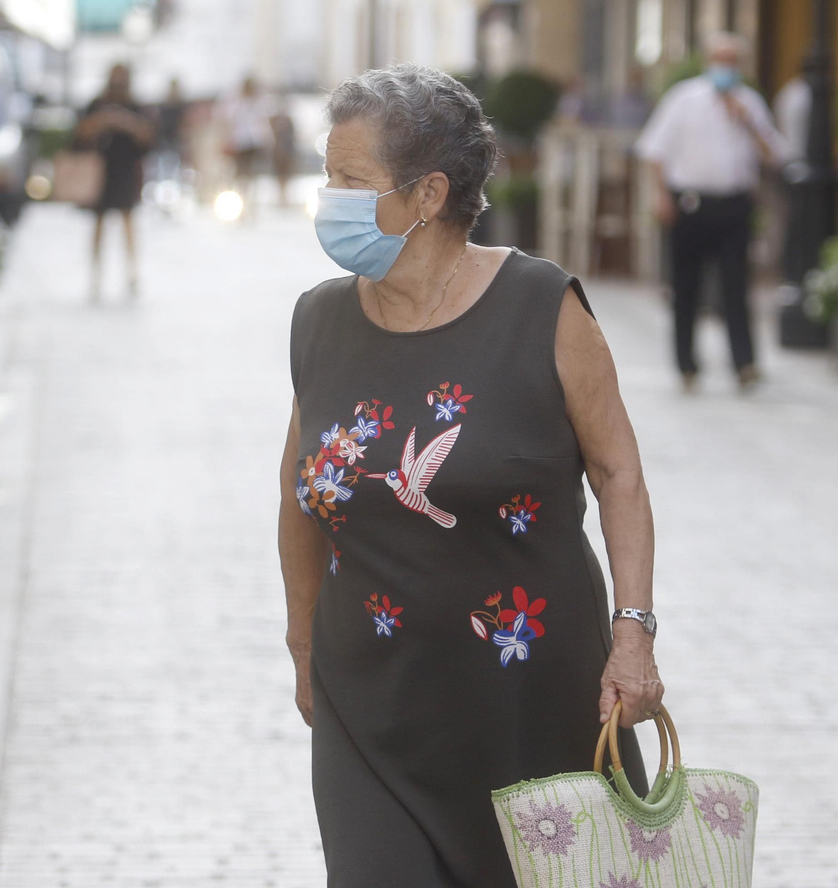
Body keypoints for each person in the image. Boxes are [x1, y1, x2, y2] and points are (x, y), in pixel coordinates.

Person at [281, 64, 660, 885]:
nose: (329, 199)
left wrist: (633, 633)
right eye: (328, 176)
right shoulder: (319, 321)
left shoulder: (540, 305)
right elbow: (299, 496)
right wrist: (303, 639)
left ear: (428, 195)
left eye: (351, 179)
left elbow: (618, 471)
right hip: (370, 704)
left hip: (527, 698)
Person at [635, 32, 784, 392]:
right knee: (686, 286)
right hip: (690, 204)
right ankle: (686, 365)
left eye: (732, 60)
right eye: (720, 59)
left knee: (736, 286)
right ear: (708, 61)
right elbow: (654, 150)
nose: (726, 67)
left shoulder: (750, 102)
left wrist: (747, 122)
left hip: (734, 205)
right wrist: (660, 196)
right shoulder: (684, 98)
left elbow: (775, 154)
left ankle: (744, 363)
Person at [75, 63, 154, 298]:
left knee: (127, 222)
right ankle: (96, 274)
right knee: (99, 223)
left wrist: (124, 122)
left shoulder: (136, 106)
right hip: (100, 170)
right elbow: (80, 133)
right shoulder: (96, 105)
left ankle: (132, 273)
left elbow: (147, 135)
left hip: (126, 171)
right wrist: (104, 120)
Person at [222, 76, 272, 205]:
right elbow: (230, 121)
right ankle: (240, 198)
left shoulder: (258, 103)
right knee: (240, 172)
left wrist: (266, 139)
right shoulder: (237, 103)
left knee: (251, 172)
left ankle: (250, 199)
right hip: (240, 142)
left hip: (254, 142)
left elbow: (262, 123)